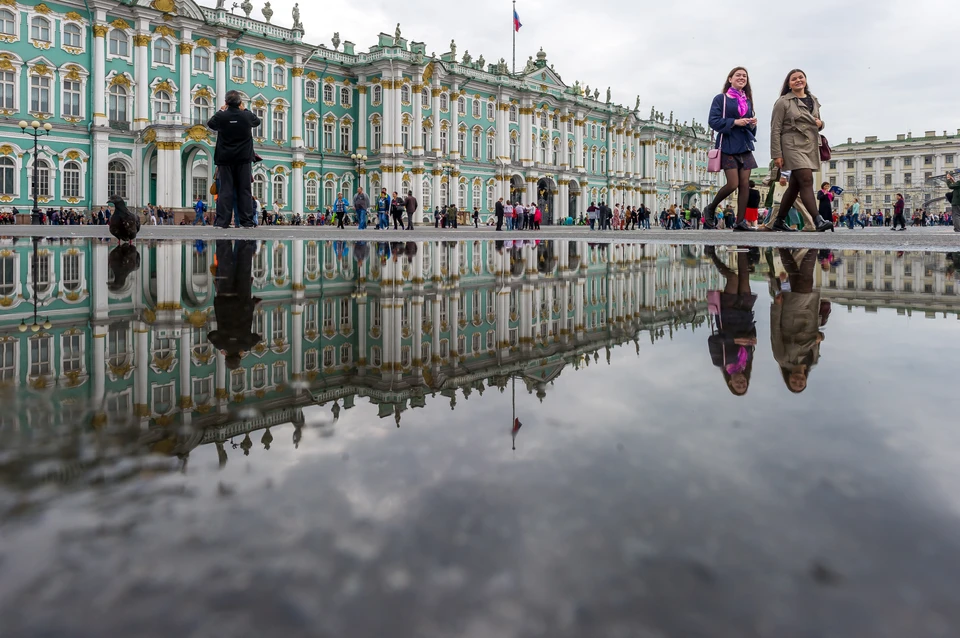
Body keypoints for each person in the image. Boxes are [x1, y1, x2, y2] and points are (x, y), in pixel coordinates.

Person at [769, 69, 833, 232]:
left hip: (809, 144)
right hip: (791, 144)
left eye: (801, 77)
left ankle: (779, 220)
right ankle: (817, 220)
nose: (798, 80)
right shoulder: (783, 102)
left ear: (805, 80)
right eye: (794, 79)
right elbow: (775, 128)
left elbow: (817, 121)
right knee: (806, 180)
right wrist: (776, 153)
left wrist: (821, 124)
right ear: (788, 84)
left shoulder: (813, 99)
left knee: (795, 186)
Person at [705, 67, 758, 231]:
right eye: (738, 75)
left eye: (745, 76)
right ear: (730, 79)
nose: (742, 78)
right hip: (728, 144)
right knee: (733, 183)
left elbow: (749, 127)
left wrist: (752, 125)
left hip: (745, 145)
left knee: (744, 185)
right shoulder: (721, 99)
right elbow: (713, 121)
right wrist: (734, 122)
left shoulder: (747, 100)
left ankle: (740, 222)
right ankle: (711, 208)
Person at [705, 246, 757, 396]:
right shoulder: (747, 362)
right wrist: (752, 338)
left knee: (733, 278)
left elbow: (713, 341)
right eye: (744, 385)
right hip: (745, 314)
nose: (741, 383)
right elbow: (750, 338)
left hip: (727, 316)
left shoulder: (720, 361)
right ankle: (741, 246)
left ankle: (712, 254)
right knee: (745, 276)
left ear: (730, 382)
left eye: (738, 385)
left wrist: (735, 340)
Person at [771, 248, 824, 393]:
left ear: (788, 378)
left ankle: (815, 243)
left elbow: (775, 331)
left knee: (805, 280)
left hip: (792, 313)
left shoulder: (781, 358)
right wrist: (820, 336)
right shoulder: (812, 360)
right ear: (806, 381)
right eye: (801, 384)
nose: (798, 381)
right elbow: (817, 338)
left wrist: (777, 306)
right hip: (810, 315)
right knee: (795, 276)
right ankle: (782, 246)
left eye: (794, 383)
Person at [207, 90, 260, 228]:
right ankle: (246, 222)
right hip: (243, 158)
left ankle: (222, 222)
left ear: (226, 103)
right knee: (244, 190)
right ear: (240, 103)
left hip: (225, 158)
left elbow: (211, 123)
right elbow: (257, 121)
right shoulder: (246, 116)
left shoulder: (221, 116)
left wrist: (221, 110)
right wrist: (245, 109)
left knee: (225, 190)